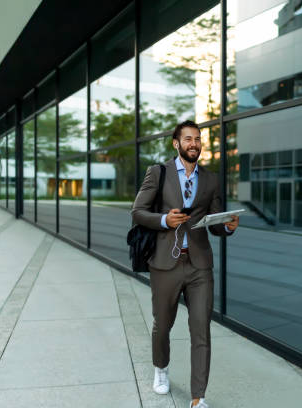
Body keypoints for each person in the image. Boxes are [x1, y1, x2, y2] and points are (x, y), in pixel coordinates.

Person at [132, 120, 239, 408]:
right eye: (188, 139)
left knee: (201, 329)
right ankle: (161, 368)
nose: (194, 144)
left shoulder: (211, 179)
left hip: (200, 265)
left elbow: (213, 224)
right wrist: (165, 220)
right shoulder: (159, 172)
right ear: (176, 144)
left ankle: (198, 398)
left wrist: (227, 226)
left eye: (198, 139)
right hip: (166, 262)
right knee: (163, 325)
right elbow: (138, 211)